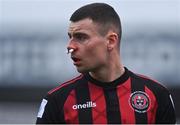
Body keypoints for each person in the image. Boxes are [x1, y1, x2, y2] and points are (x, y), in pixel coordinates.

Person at [36, 3, 176, 124]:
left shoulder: (156, 95)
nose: (70, 46)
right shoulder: (57, 101)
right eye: (70, 37)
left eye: (81, 37)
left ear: (111, 41)